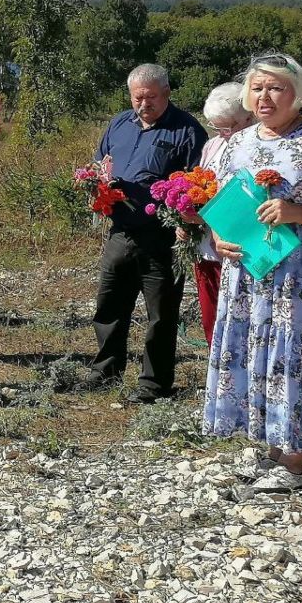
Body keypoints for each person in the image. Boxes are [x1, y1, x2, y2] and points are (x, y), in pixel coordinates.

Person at [205, 53, 302, 491]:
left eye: (275, 87)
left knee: (291, 355)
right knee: (255, 352)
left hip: (300, 280)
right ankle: (273, 449)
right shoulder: (239, 143)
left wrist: (297, 210)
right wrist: (218, 236)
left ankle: (295, 462)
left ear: (298, 94)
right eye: (257, 87)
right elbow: (221, 201)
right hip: (247, 275)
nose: (265, 96)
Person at [83, 63, 206, 403]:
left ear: (166, 93)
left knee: (161, 315)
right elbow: (100, 162)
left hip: (163, 237)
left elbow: (199, 184)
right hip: (120, 230)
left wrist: (185, 223)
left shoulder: (187, 130)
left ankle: (154, 384)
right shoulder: (120, 122)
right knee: (110, 304)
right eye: (138, 97)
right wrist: (98, 181)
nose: (143, 104)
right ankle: (104, 371)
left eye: (151, 97)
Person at [191, 83, 252, 346]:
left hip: (243, 248)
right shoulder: (212, 145)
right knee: (213, 317)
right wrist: (186, 216)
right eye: (217, 127)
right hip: (207, 245)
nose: (223, 134)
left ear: (249, 116)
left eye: (229, 126)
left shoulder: (256, 145)